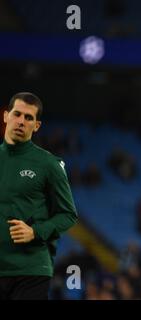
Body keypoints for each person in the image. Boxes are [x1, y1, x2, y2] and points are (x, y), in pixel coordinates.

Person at [0, 92, 78, 299]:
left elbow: (68, 214)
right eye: (17, 114)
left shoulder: (48, 164)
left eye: (28, 118)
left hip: (30, 270)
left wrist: (35, 232)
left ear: (36, 126)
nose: (21, 122)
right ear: (6, 116)